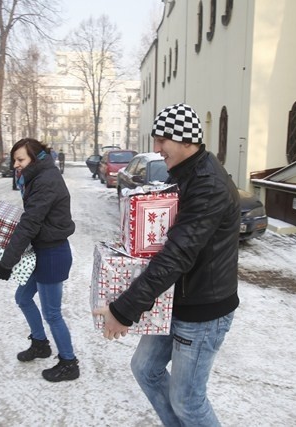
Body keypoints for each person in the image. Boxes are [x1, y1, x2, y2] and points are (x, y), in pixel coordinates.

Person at [93, 103, 240, 425]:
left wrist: (123, 310)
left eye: (162, 140)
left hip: (204, 310)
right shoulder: (186, 176)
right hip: (174, 300)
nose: (157, 149)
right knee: (145, 369)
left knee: (188, 400)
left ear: (187, 141)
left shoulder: (207, 185)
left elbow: (178, 254)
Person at [0, 138, 79, 382]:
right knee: (23, 297)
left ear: (34, 158)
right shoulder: (37, 176)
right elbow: (31, 220)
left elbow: (30, 222)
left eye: (20, 160)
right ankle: (40, 343)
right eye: (14, 160)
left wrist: (8, 261)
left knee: (52, 313)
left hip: (52, 254)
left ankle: (69, 362)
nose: (16, 164)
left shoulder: (46, 180)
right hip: (42, 250)